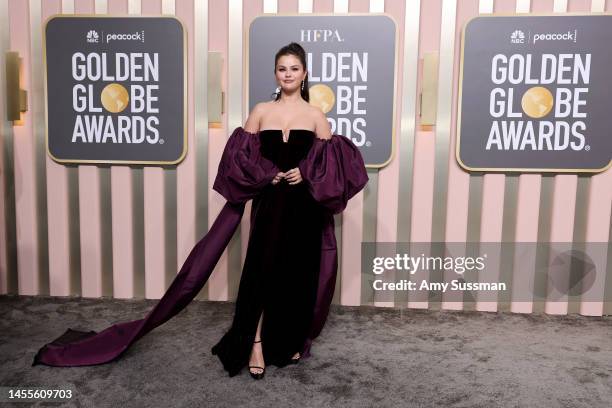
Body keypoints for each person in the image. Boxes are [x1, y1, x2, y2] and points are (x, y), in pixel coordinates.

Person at [32, 42, 368, 380]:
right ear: (276, 73)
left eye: (294, 69)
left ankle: (289, 339)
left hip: (303, 209)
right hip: (269, 205)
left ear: (305, 73)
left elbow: (332, 169)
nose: (288, 74)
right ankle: (254, 342)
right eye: (282, 69)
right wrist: (268, 173)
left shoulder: (315, 116)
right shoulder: (261, 111)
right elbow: (238, 162)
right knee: (260, 274)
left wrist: (304, 173)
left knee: (296, 275)